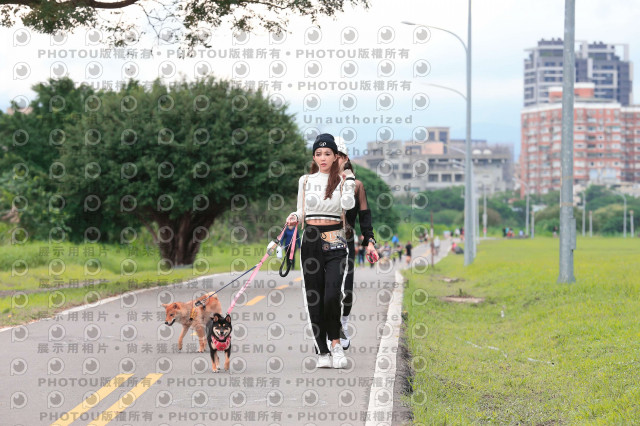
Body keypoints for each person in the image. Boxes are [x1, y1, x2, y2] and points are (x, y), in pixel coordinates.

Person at [285, 133, 355, 369]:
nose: (323, 158)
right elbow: (301, 211)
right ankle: (322, 350)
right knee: (314, 297)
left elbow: (348, 206)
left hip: (335, 239)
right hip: (311, 239)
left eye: (327, 153)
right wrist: (294, 217)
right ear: (314, 157)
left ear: (336, 156)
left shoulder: (344, 181)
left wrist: (348, 182)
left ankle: (336, 344)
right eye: (318, 154)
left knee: (332, 295)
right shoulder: (305, 181)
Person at [335, 141, 378, 349]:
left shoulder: (357, 185)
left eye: (339, 156)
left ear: (346, 159)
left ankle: (343, 323)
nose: (335, 160)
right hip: (324, 241)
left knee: (347, 290)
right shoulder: (319, 183)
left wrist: (369, 241)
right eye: (331, 155)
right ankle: (329, 331)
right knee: (326, 290)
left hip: (346, 241)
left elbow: (365, 217)